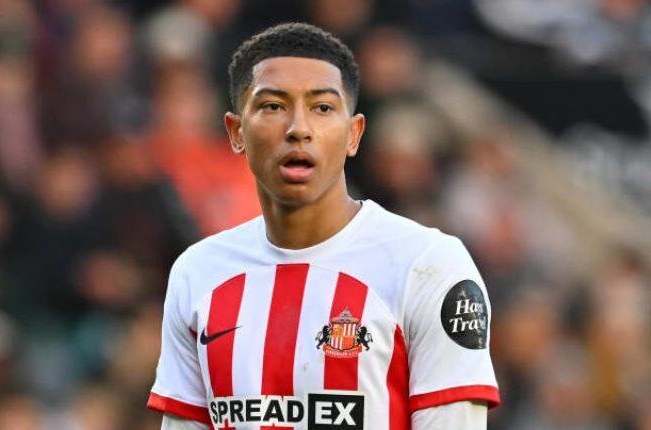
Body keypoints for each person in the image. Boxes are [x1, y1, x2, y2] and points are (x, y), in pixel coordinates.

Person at [147, 22, 500, 430]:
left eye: (323, 108)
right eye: (273, 106)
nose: (298, 129)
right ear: (236, 132)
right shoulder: (197, 273)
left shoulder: (428, 266)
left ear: (353, 135)